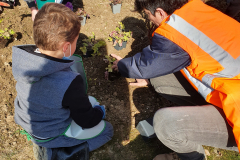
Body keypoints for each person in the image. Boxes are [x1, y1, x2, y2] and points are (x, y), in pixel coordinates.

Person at [111, 0, 240, 159]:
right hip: (228, 89)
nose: (149, 19)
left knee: (165, 124)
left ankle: (194, 156)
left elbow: (145, 65)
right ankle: (199, 119)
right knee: (158, 79)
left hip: (236, 113)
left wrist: (121, 66)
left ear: (160, 12)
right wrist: (149, 76)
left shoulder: (174, 33)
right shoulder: (197, 8)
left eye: (147, 14)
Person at [12, 3, 113, 159]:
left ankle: (46, 144)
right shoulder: (70, 81)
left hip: (29, 123)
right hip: (52, 133)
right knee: (107, 131)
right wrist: (100, 112)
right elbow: (86, 120)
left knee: (89, 101)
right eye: (76, 41)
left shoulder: (23, 60)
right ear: (66, 47)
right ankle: (61, 153)